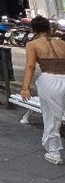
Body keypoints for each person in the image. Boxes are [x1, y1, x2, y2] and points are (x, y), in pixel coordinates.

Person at [19, 15, 65, 165]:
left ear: (33, 29)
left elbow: (30, 66)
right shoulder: (62, 43)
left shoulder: (33, 45)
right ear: (49, 28)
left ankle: (54, 152)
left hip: (49, 80)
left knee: (52, 118)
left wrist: (25, 87)